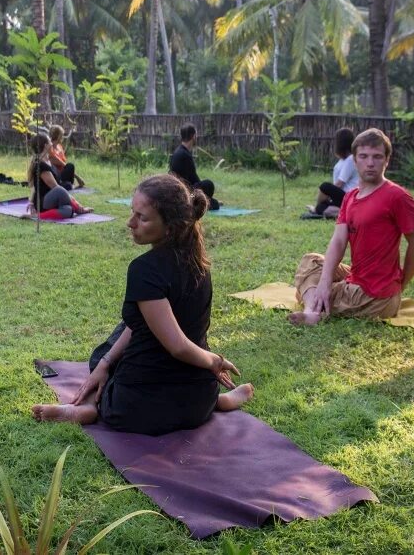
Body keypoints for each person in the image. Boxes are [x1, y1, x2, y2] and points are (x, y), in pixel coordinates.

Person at [31, 174, 253, 435]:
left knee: (110, 344)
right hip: (198, 403)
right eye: (132, 213)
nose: (130, 223)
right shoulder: (200, 266)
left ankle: (91, 406)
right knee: (125, 336)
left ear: (170, 227)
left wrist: (215, 361)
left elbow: (179, 347)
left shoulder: (144, 270)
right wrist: (106, 363)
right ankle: (220, 401)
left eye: (142, 218)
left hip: (137, 409)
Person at [288, 128, 414, 326]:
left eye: (377, 157)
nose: (370, 163)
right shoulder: (351, 197)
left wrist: (400, 285)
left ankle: (313, 308)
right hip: (357, 277)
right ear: (354, 160)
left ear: (387, 160)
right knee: (311, 262)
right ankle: (313, 310)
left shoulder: (398, 197)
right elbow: (338, 241)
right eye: (363, 156)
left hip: (375, 294)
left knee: (308, 288)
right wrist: (326, 282)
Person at [27, 133, 92, 220]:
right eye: (50, 141)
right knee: (59, 189)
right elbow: (56, 188)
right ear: (46, 145)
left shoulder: (48, 160)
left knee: (68, 210)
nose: (52, 143)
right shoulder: (40, 165)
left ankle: (41, 215)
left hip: (54, 199)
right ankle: (36, 216)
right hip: (43, 202)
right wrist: (78, 205)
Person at [302, 127, 358, 220]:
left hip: (349, 196)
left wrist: (328, 194)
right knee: (322, 207)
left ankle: (317, 210)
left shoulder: (351, 159)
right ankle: (344, 212)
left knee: (325, 186)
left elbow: (340, 183)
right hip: (342, 197)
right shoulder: (342, 160)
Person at [169, 123, 220, 210]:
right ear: (193, 136)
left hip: (177, 192)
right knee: (209, 185)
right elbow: (193, 179)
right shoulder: (185, 155)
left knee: (206, 188)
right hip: (187, 195)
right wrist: (200, 193)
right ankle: (200, 202)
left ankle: (205, 201)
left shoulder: (177, 152)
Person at [48, 125, 86, 190]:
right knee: (69, 166)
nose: (63, 137)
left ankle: (68, 185)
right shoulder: (49, 148)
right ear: (57, 136)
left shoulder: (59, 147)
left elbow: (64, 165)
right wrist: (77, 177)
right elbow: (61, 163)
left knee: (70, 166)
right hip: (55, 176)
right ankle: (65, 185)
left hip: (62, 175)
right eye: (61, 135)